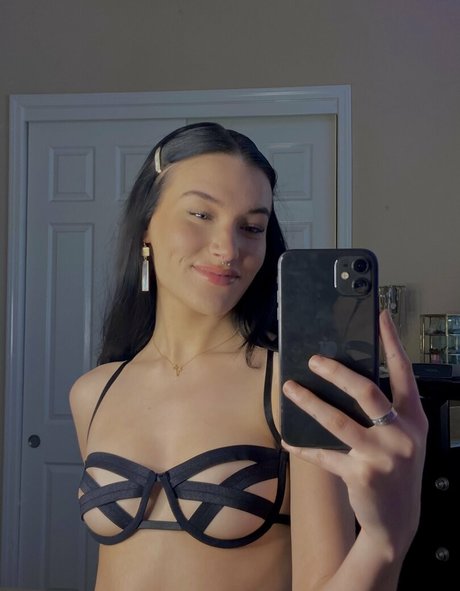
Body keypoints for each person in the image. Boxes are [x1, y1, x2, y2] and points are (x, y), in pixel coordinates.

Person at [70, 122, 428, 591]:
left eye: (252, 227)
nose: (227, 249)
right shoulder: (94, 392)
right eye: (201, 214)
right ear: (146, 226)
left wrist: (387, 537)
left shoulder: (296, 390)